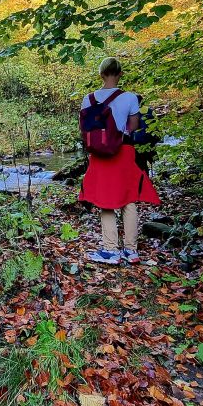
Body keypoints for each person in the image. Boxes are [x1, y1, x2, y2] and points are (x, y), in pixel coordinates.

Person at [79, 57, 161, 265]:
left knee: (105, 199)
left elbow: (85, 130)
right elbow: (132, 128)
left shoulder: (88, 99)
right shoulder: (131, 98)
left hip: (99, 154)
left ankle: (110, 250)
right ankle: (131, 251)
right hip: (123, 151)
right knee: (129, 198)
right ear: (120, 74)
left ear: (101, 74)